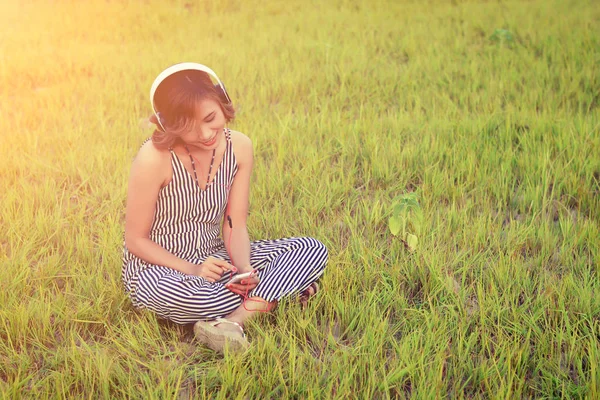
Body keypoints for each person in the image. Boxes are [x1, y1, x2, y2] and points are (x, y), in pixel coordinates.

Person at [121, 63, 328, 354]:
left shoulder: (240, 146)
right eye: (189, 128)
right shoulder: (154, 158)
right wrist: (193, 269)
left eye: (210, 118)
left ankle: (233, 321)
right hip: (160, 268)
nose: (206, 133)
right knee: (200, 297)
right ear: (169, 126)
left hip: (217, 258)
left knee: (311, 248)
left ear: (222, 100)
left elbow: (235, 223)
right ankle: (279, 294)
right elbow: (136, 240)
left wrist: (244, 269)